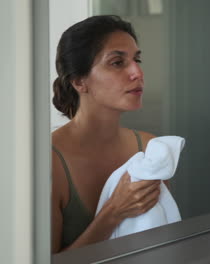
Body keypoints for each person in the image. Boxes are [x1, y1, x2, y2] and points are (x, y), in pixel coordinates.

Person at [51, 15, 162, 253]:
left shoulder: (150, 148)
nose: (137, 72)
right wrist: (114, 212)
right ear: (80, 81)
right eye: (117, 62)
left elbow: (161, 239)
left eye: (137, 59)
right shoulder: (48, 162)